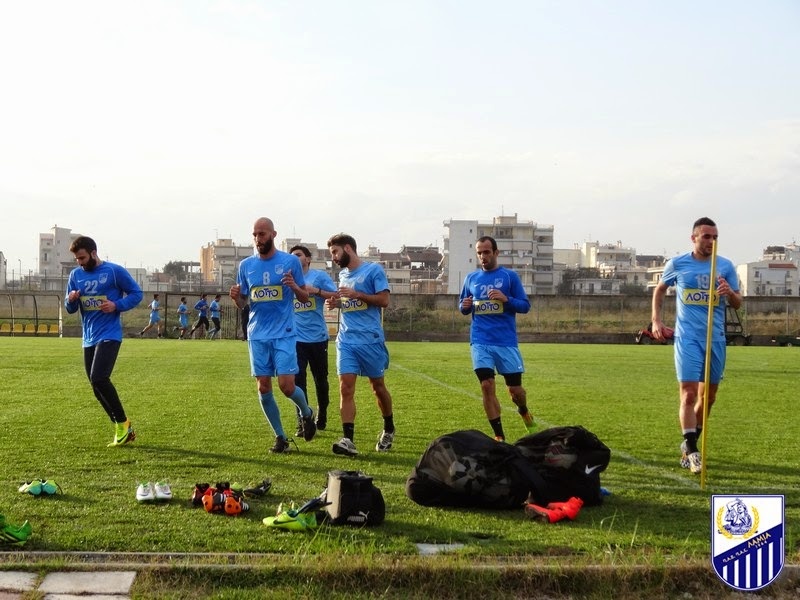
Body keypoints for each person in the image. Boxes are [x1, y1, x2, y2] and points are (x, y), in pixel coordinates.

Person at [651, 217, 742, 474]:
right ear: (694, 237)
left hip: (715, 339)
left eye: (714, 237)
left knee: (709, 397)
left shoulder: (724, 266)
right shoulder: (678, 264)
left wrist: (729, 293)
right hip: (687, 338)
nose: (711, 241)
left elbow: (737, 303)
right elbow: (659, 290)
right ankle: (692, 450)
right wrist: (656, 320)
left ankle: (689, 442)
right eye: (706, 237)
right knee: (689, 393)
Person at [229, 217, 317, 453]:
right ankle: (281, 437)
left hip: (284, 333)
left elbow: (305, 298)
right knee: (264, 387)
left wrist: (295, 287)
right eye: (255, 235)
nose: (258, 239)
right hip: (257, 334)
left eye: (262, 234)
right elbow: (243, 303)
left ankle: (307, 413)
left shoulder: (290, 262)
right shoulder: (246, 266)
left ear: (273, 235)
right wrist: (236, 297)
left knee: (287, 387)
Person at [64, 235, 143, 446]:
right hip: (88, 337)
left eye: (82, 257)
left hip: (109, 334)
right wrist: (70, 300)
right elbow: (70, 308)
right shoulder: (75, 275)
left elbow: (137, 293)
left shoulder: (113, 271)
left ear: (93, 253)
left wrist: (116, 305)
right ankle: (123, 425)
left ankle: (123, 425)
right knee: (95, 384)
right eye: (77, 259)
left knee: (99, 377)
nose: (79, 262)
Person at [459, 235, 535, 442]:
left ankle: (524, 410)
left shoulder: (510, 277)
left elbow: (525, 306)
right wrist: (464, 306)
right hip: (480, 341)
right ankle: (499, 436)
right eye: (479, 252)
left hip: (505, 342)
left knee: (515, 391)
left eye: (486, 252)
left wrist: (506, 299)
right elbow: (463, 306)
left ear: (495, 253)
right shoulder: (471, 279)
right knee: (486, 385)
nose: (483, 256)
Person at [325, 233, 395, 456]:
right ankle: (348, 439)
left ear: (348, 248)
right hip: (346, 340)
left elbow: (383, 301)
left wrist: (357, 294)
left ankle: (389, 427)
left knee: (378, 387)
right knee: (345, 387)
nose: (333, 258)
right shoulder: (343, 275)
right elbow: (350, 302)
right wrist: (337, 303)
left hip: (370, 340)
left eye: (335, 252)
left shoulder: (373, 270)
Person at [289, 244, 338, 434]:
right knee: (297, 382)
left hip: (317, 338)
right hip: (295, 339)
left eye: (299, 255)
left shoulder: (319, 277)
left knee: (321, 380)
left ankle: (322, 412)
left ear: (308, 259)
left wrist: (315, 291)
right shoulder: (288, 279)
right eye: (292, 255)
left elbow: (335, 296)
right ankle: (303, 421)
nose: (295, 257)